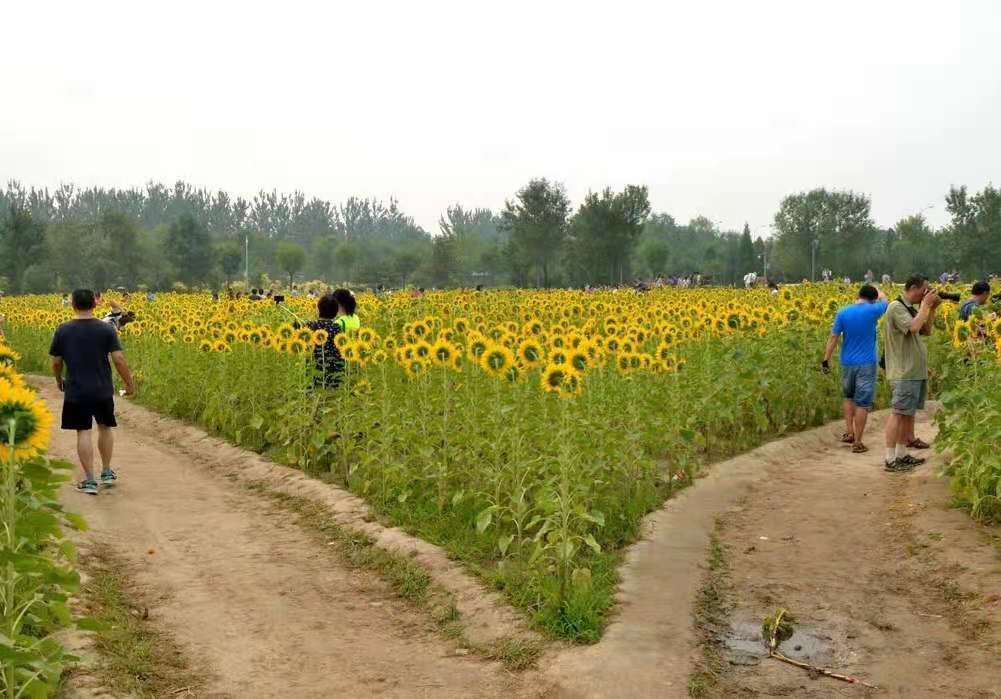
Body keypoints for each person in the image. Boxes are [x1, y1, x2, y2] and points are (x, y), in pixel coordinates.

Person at [49, 289, 136, 495]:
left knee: (83, 431)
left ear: (73, 304)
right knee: (105, 427)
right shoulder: (106, 329)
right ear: (95, 305)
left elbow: (56, 361)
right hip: (102, 388)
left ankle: (89, 480)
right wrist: (129, 384)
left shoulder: (63, 330)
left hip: (76, 388)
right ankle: (106, 471)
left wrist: (58, 379)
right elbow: (119, 359)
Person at [882, 275, 940, 472]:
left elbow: (926, 330)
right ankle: (890, 459)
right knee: (898, 413)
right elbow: (913, 327)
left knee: (907, 415)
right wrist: (925, 304)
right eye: (924, 289)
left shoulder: (910, 308)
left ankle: (902, 453)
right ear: (913, 288)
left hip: (913, 371)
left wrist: (931, 309)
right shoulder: (896, 307)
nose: (926, 293)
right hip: (903, 372)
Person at [822, 285, 888, 453]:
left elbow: (833, 337)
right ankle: (858, 442)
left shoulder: (843, 312)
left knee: (848, 396)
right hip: (867, 362)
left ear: (858, 295)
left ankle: (849, 432)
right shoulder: (874, 310)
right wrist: (879, 291)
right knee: (863, 403)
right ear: (872, 299)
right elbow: (885, 301)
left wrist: (826, 360)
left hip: (847, 362)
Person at [302, 289, 359, 389]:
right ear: (335, 311)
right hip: (336, 369)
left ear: (318, 309)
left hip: (316, 368)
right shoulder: (338, 326)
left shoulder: (311, 325)